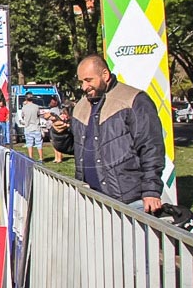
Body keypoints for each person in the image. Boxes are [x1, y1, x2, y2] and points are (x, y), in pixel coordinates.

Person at [49, 55, 164, 214]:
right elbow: (73, 147)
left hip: (130, 199)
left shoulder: (134, 100)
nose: (84, 87)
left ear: (105, 75)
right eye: (81, 81)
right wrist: (59, 132)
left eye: (89, 80)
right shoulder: (81, 106)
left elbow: (151, 147)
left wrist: (151, 191)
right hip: (90, 199)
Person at [19, 92, 45, 161]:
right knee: (39, 143)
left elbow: (22, 116)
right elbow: (38, 114)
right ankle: (41, 158)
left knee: (29, 143)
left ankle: (30, 157)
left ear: (26, 99)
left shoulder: (24, 108)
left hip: (28, 128)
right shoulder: (36, 107)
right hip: (36, 127)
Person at [43, 97, 65, 163]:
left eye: (52, 102)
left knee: (56, 143)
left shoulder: (54, 110)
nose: (50, 103)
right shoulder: (56, 110)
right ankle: (56, 157)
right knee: (54, 143)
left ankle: (59, 158)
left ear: (55, 103)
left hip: (54, 128)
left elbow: (48, 117)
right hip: (52, 128)